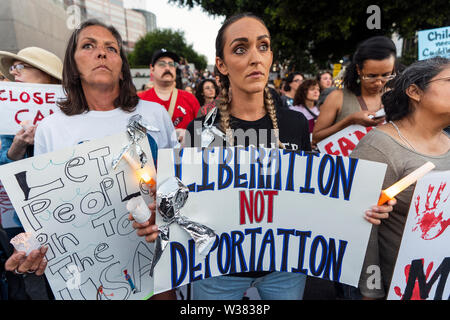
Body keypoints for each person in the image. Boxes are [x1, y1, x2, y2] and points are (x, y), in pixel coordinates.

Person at [167, 12, 393, 300]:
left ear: (271, 55)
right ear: (221, 65)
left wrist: (361, 203)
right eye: (240, 48)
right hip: (218, 270)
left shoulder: (294, 124)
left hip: (284, 269)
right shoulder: (199, 131)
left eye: (263, 46)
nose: (255, 58)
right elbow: (188, 204)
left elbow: (313, 193)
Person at [33, 19, 179, 300]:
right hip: (89, 273)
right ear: (73, 66)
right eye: (88, 46)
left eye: (111, 48)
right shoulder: (51, 129)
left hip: (154, 262)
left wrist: (163, 213)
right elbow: (47, 212)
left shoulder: (155, 114)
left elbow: (176, 182)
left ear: (122, 68)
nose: (101, 53)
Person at [350, 56, 450, 300]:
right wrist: (370, 292)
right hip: (405, 287)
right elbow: (359, 230)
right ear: (415, 92)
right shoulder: (378, 147)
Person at [0, 47, 63, 300]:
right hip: (22, 217)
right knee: (33, 278)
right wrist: (17, 146)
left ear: (48, 76)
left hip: (65, 211)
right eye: (12, 68)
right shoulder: (7, 117)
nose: (14, 74)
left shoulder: (72, 115)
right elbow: (3, 166)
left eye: (21, 67)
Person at [312, 36, 397, 146]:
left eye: (386, 75)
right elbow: (315, 138)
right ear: (358, 70)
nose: (378, 83)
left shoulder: (395, 97)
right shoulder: (338, 97)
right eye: (371, 76)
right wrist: (350, 121)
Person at [138, 49, 201, 144]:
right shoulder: (139, 100)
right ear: (152, 68)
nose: (167, 68)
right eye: (162, 64)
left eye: (172, 64)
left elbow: (202, 132)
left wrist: (189, 135)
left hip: (184, 156)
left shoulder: (190, 98)